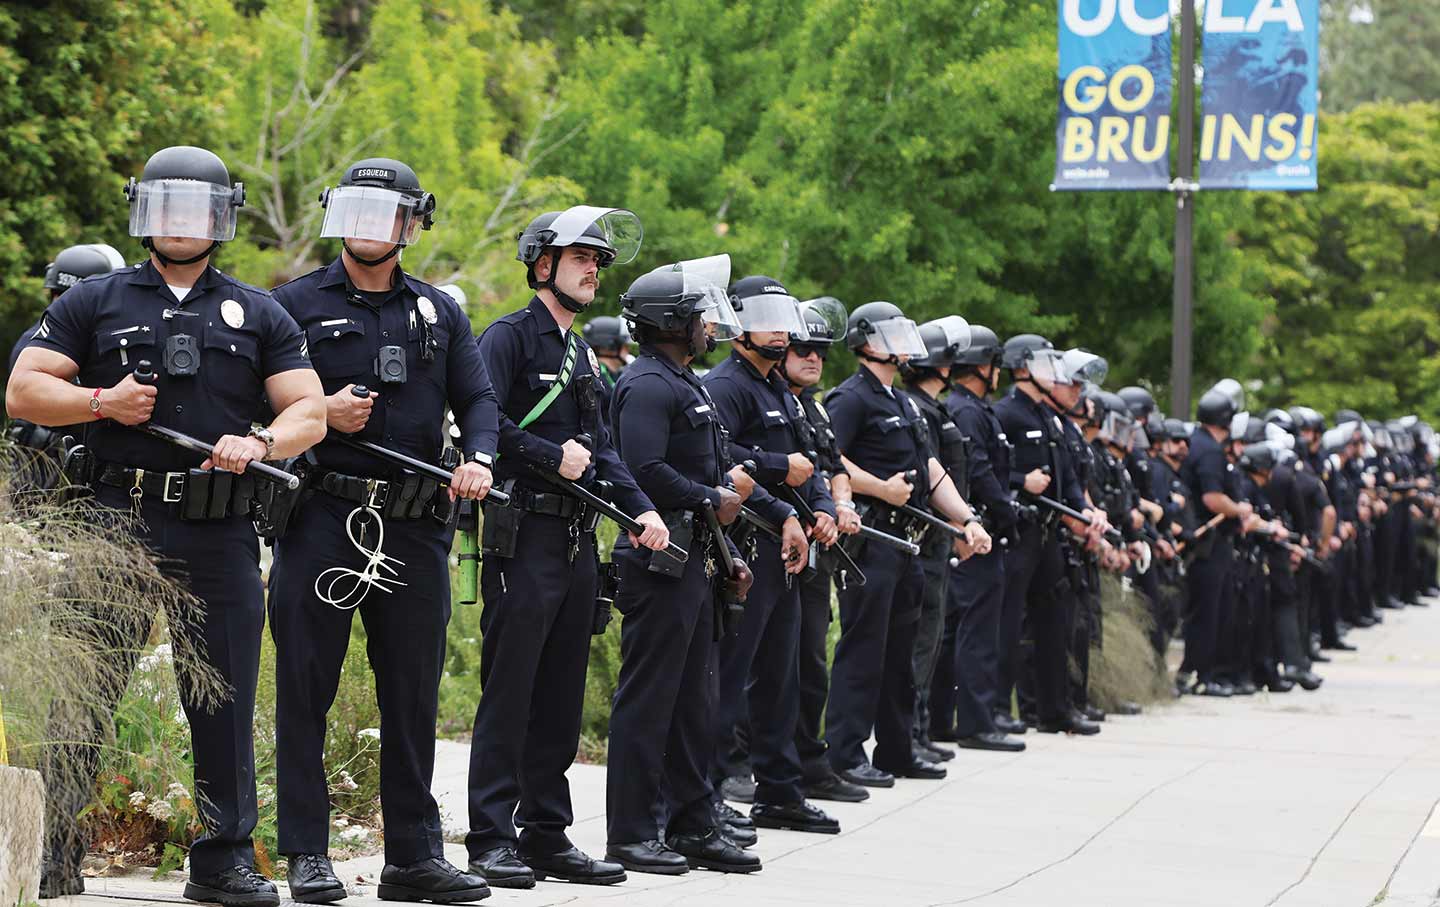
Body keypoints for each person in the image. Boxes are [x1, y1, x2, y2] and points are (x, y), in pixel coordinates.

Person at [7, 145, 326, 906]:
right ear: (144, 210)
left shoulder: (262, 310)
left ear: (222, 217)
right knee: (82, 691)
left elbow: (308, 408)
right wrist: (100, 403)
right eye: (167, 204)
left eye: (197, 206)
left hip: (217, 527)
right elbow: (23, 390)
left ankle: (221, 861)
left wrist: (262, 443)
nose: (181, 221)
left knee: (223, 698)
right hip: (114, 519)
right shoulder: (96, 300)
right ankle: (51, 853)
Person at [267, 158, 498, 904]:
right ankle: (306, 851)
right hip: (323, 515)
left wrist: (482, 459)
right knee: (306, 687)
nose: (369, 229)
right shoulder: (290, 305)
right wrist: (318, 414)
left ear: (412, 223)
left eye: (384, 215)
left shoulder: (440, 312)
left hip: (416, 524)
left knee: (412, 694)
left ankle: (412, 857)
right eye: (356, 213)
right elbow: (254, 407)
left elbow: (480, 398)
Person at [466, 206, 669, 889]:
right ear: (542, 262)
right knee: (510, 690)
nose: (593, 268)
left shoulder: (581, 351)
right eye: (581, 255)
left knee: (560, 693)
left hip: (577, 540)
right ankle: (491, 837)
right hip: (521, 535)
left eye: (599, 260)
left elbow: (602, 448)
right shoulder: (508, 337)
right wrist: (552, 456)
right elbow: (481, 419)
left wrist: (640, 508)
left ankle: (546, 834)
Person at [602, 255, 761, 876]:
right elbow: (643, 472)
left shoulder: (685, 380)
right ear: (671, 321)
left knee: (696, 697)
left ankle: (693, 823)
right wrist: (707, 498)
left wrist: (728, 549)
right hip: (658, 559)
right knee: (649, 699)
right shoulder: (645, 384)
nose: (710, 325)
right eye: (700, 315)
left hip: (696, 557)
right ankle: (632, 833)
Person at [824, 301, 990, 784]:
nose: (903, 342)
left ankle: (896, 750)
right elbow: (830, 459)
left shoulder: (902, 401)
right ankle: (846, 754)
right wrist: (879, 488)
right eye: (893, 333)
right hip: (871, 540)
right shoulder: (851, 398)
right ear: (868, 342)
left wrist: (966, 519)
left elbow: (932, 471)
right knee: (864, 649)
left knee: (902, 653)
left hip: (909, 544)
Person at [704, 275, 842, 835]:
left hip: (790, 548)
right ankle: (706, 796)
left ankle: (781, 791)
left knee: (780, 678)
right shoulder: (726, 383)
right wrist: (780, 476)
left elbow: (812, 460)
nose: (781, 327)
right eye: (766, 314)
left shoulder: (779, 388)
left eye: (783, 314)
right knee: (729, 676)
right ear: (737, 324)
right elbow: (717, 454)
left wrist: (822, 505)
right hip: (750, 542)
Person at [777, 296, 870, 802]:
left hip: (818, 546)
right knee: (769, 665)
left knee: (811, 661)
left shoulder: (810, 406)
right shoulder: (769, 398)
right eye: (802, 349)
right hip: (773, 543)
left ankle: (808, 762)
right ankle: (745, 763)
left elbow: (833, 465)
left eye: (820, 352)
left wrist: (840, 502)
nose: (813, 358)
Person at [993, 335, 1106, 735]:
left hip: (1049, 535)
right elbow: (985, 471)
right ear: (1022, 367)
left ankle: (1056, 709)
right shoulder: (1005, 413)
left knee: (1054, 624)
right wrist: (1022, 479)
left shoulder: (1050, 417)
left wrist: (1086, 512)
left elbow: (1069, 481)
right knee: (1008, 625)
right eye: (1045, 361)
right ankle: (999, 710)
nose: (1055, 369)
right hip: (1019, 531)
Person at [933, 324, 1025, 752]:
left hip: (983, 528)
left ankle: (954, 719)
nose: (999, 374)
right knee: (975, 633)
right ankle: (975, 721)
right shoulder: (967, 410)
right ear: (982, 367)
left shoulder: (975, 407)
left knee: (967, 630)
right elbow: (981, 473)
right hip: (977, 530)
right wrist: (1006, 513)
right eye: (994, 365)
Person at [898, 315, 972, 764]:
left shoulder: (933, 410)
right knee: (919, 639)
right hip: (924, 539)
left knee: (930, 635)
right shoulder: (916, 409)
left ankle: (919, 729)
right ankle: (910, 730)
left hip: (942, 538)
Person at [1179, 388, 1255, 696]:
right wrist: (1240, 509)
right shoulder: (1209, 450)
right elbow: (1212, 499)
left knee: (1210, 610)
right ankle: (1202, 675)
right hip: (1208, 543)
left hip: (1209, 543)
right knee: (1209, 612)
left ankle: (1200, 672)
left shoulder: (1199, 444)